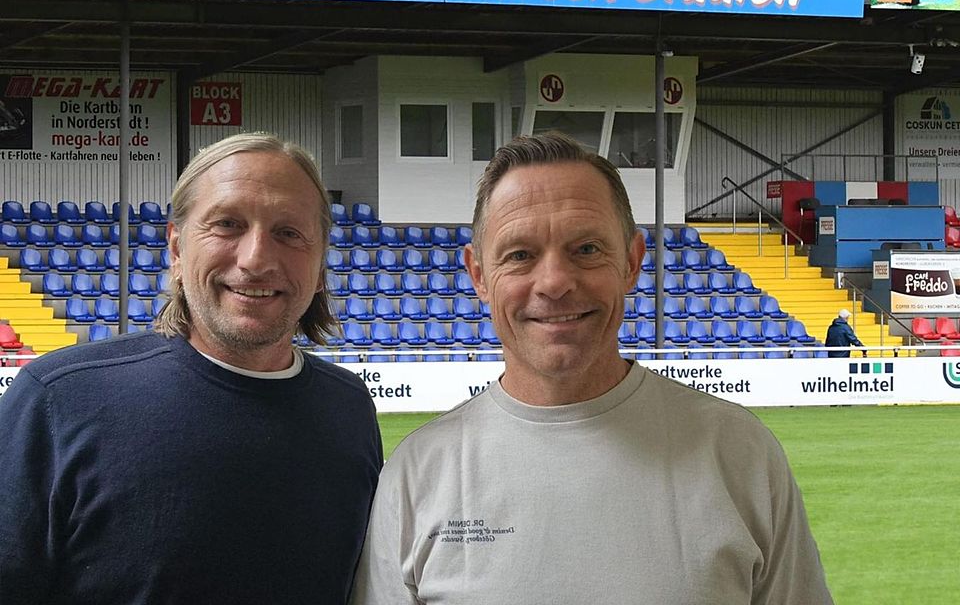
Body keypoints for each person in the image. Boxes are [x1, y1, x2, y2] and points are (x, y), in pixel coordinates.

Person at [350, 132, 833, 604]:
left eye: (586, 249)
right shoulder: (416, 475)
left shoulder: (740, 453)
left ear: (631, 261)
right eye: (520, 255)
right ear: (479, 275)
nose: (555, 282)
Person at [0, 133, 383, 604]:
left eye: (288, 233)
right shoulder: (58, 400)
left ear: (321, 262)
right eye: (227, 224)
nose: (256, 258)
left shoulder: (348, 408)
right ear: (177, 250)